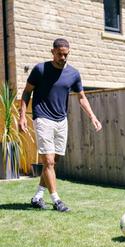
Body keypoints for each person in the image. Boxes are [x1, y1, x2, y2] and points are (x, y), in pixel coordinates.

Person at [18, 38, 102, 212]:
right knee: (48, 161)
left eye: (66, 54)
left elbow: (81, 97)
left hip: (61, 120)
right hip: (43, 118)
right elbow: (26, 93)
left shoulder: (73, 74)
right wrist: (22, 117)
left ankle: (37, 196)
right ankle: (57, 201)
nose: (63, 58)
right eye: (59, 54)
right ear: (52, 52)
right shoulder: (40, 70)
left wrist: (92, 116)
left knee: (53, 162)